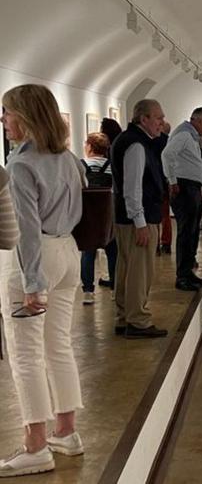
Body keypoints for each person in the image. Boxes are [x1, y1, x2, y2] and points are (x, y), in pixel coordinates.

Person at [0, 84, 85, 477]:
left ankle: (35, 445)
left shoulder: (20, 165)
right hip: (67, 253)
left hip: (34, 261)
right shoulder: (67, 158)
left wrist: (33, 283)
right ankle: (66, 431)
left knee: (26, 355)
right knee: (59, 347)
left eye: (7, 113)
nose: (3, 121)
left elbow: (27, 231)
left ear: (27, 116)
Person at [111, 99, 168, 339]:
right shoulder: (136, 145)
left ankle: (125, 317)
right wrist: (141, 223)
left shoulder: (132, 141)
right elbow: (132, 189)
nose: (162, 123)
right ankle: (138, 321)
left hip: (127, 219)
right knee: (139, 271)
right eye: (158, 118)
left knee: (126, 268)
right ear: (143, 119)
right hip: (138, 219)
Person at [162, 107, 202, 291]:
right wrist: (172, 180)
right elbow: (167, 154)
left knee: (192, 231)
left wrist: (201, 186)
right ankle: (182, 276)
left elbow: (192, 164)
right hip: (184, 188)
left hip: (191, 187)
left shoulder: (192, 136)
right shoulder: (184, 135)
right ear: (197, 121)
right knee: (186, 232)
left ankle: (187, 273)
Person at [79, 132, 117, 304]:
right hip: (108, 214)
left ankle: (88, 291)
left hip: (87, 216)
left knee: (88, 253)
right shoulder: (111, 166)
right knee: (113, 252)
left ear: (89, 146)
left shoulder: (81, 166)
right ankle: (115, 289)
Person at [155, 121, 173, 255]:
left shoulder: (153, 141)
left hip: (154, 182)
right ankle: (166, 243)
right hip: (165, 182)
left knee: (154, 215)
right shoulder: (169, 142)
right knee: (165, 215)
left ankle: (155, 244)